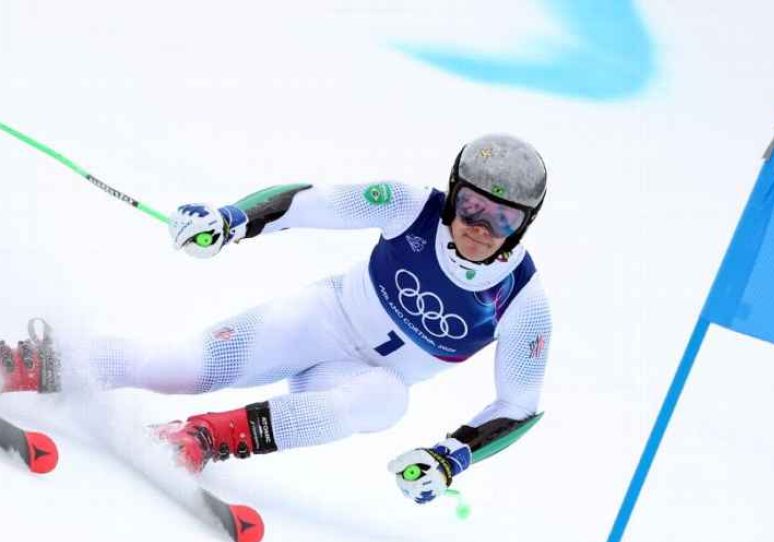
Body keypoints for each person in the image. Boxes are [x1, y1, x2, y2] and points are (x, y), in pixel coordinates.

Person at [0, 134, 552, 505]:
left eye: (503, 219)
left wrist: (451, 457)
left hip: (351, 382)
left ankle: (200, 438)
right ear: (454, 194)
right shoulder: (409, 206)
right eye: (472, 207)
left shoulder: (522, 300)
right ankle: (30, 366)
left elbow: (518, 404)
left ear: (524, 225)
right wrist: (231, 220)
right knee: (177, 367)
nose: (480, 227)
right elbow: (309, 202)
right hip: (318, 320)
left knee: (388, 400)